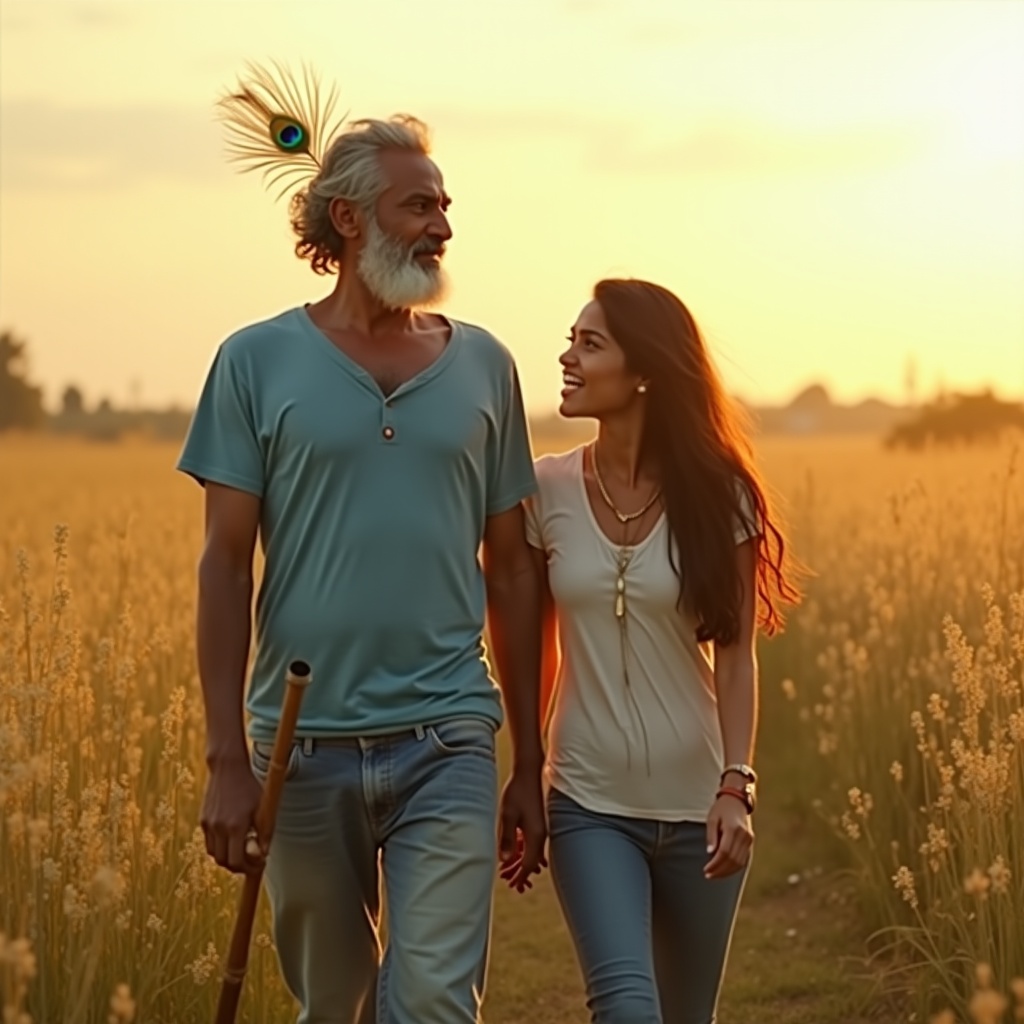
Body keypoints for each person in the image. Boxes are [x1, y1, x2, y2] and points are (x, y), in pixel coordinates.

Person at [177, 94, 546, 1024]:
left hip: (449, 736)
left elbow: (510, 569)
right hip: (297, 748)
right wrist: (228, 757)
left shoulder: (485, 367)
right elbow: (224, 567)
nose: (443, 226)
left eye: (445, 206)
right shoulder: (253, 361)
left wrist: (528, 761)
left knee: (430, 1000)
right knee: (332, 1000)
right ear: (347, 219)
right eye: (419, 205)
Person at [504, 279, 801, 1024]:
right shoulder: (544, 490)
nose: (567, 356)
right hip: (589, 804)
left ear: (645, 371)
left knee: (684, 1016)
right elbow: (528, 643)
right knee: (628, 1010)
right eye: (571, 338)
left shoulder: (721, 494)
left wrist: (737, 787)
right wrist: (530, 769)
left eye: (590, 343)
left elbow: (735, 655)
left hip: (701, 804)